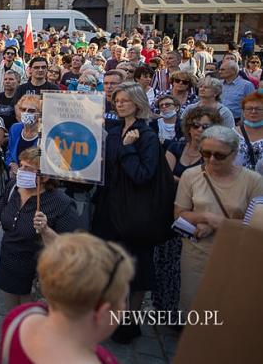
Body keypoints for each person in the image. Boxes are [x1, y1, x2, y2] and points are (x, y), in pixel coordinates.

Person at [91, 82, 160, 343]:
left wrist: (129, 148)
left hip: (134, 212)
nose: (119, 104)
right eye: (117, 100)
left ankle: (129, 321)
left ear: (138, 103)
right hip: (109, 207)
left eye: (125, 101)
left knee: (135, 268)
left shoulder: (147, 136)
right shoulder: (113, 131)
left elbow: (143, 176)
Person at [0, 233, 134, 364]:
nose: (124, 308)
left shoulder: (21, 317)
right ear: (103, 311)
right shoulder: (103, 360)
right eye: (123, 301)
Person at [0, 147, 78, 311]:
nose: (21, 171)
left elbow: (69, 249)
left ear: (45, 176)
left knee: (31, 321)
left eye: (28, 168)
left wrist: (46, 230)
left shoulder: (61, 204)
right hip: (9, 267)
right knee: (13, 314)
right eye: (21, 166)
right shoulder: (14, 187)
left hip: (36, 275)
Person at [175, 126, 263, 311]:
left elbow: (257, 227)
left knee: (227, 311)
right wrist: (204, 216)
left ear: (234, 153)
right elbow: (179, 213)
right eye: (206, 153)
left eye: (220, 155)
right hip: (196, 256)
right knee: (196, 309)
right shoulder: (190, 175)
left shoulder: (253, 181)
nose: (212, 160)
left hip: (235, 256)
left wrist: (219, 224)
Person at [151, 106, 216, 313]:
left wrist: (181, 181)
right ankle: (164, 308)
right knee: (165, 264)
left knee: (188, 269)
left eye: (205, 126)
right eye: (196, 125)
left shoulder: (215, 154)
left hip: (195, 215)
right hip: (169, 211)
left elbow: (209, 183)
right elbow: (164, 176)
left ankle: (186, 312)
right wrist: (187, 180)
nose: (199, 130)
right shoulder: (176, 147)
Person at [5, 95, 42, 177]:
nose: (26, 113)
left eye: (31, 111)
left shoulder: (44, 134)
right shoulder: (15, 128)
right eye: (23, 109)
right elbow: (9, 153)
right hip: (16, 176)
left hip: (36, 178)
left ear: (40, 114)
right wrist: (11, 164)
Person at [219, 59, 254, 124]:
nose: (219, 71)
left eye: (223, 69)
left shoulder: (246, 85)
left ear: (233, 71)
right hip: (218, 120)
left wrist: (243, 120)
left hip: (237, 121)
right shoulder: (219, 84)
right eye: (220, 69)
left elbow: (252, 104)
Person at [236, 92, 263, 171]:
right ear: (243, 112)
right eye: (249, 109)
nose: (253, 111)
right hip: (240, 179)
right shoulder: (231, 134)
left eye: (258, 109)